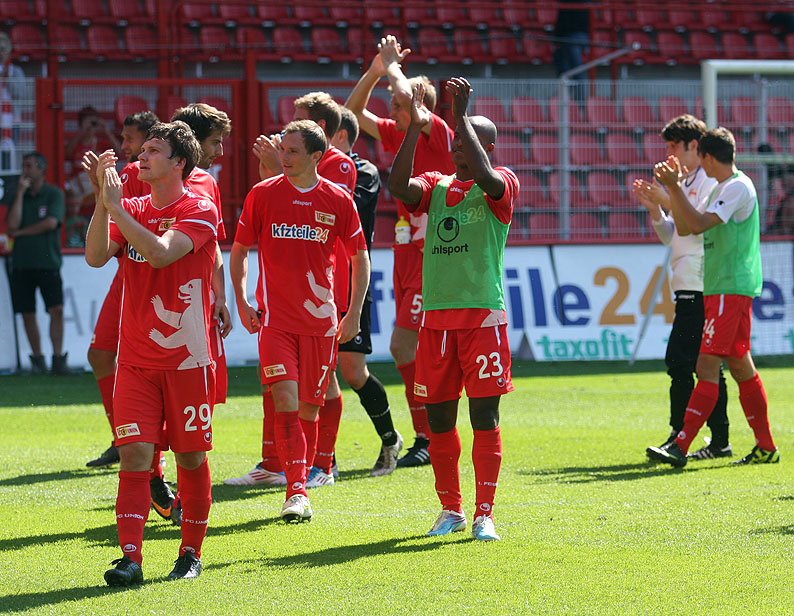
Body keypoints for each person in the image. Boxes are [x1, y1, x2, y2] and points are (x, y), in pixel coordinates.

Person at [85, 121, 219, 585]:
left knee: (191, 460)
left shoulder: (199, 207)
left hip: (187, 360)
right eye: (141, 150)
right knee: (135, 457)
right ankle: (131, 558)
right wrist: (103, 204)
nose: (140, 157)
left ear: (179, 162)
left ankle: (190, 553)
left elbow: (161, 253)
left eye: (153, 150)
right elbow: (95, 256)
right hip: (136, 361)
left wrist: (117, 210)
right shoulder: (134, 206)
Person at [388, 78, 519, 541]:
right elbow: (397, 185)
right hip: (436, 322)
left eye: (467, 138)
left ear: (488, 146)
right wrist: (414, 126)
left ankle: (485, 513)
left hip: (482, 319)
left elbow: (485, 176)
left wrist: (459, 114)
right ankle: (451, 510)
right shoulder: (436, 186)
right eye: (456, 138)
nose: (457, 144)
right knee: (440, 421)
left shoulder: (502, 184)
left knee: (484, 418)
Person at [230, 119, 369, 522]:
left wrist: (353, 312)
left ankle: (313, 471)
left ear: (315, 156)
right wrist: (242, 300)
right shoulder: (262, 194)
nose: (284, 157)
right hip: (275, 322)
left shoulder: (338, 200)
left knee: (308, 410)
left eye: (292, 151)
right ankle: (296, 491)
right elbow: (239, 251)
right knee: (285, 402)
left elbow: (360, 257)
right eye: (282, 149)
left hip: (321, 324)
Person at [345, 34, 455, 468]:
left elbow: (407, 96)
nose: (390, 109)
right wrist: (375, 72)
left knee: (405, 347)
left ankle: (429, 436)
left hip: (435, 254)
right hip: (408, 253)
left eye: (396, 103)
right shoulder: (400, 135)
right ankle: (429, 435)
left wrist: (392, 65)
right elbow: (352, 116)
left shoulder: (438, 133)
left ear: (419, 106)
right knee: (410, 350)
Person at [647, 127, 778, 468]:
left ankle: (681, 445)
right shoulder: (723, 188)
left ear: (706, 156)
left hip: (729, 288)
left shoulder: (736, 187)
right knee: (740, 366)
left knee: (705, 365)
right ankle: (766, 447)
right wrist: (670, 195)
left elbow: (698, 225)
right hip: (721, 286)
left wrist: (674, 188)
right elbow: (686, 226)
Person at [632, 114, 730, 460]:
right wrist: (656, 211)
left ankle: (681, 435)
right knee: (704, 365)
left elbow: (693, 227)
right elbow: (671, 236)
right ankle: (718, 439)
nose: (670, 152)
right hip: (687, 283)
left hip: (701, 283)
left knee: (684, 362)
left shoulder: (707, 181)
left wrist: (667, 196)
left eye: (675, 145)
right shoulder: (685, 182)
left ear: (694, 145)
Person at [85, 110, 160, 470]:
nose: (125, 145)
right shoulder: (129, 174)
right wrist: (99, 189)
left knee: (148, 365)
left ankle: (148, 451)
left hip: (150, 277)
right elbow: (112, 220)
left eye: (131, 138)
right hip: (127, 273)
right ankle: (123, 437)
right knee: (101, 354)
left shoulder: (137, 172)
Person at [4, 152, 68, 375]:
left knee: (56, 309)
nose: (25, 171)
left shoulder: (53, 194)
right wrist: (20, 194)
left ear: (41, 169)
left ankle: (58, 359)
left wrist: (20, 233)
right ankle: (37, 360)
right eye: (23, 166)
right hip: (22, 263)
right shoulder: (18, 194)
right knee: (27, 312)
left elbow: (51, 222)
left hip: (48, 263)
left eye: (29, 166)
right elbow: (11, 224)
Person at [65, 106, 121, 208]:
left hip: (97, 182)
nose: (91, 126)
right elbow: (66, 153)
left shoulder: (101, 143)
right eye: (87, 123)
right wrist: (81, 132)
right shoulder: (76, 143)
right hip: (79, 187)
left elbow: (119, 151)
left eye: (93, 123)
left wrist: (106, 131)